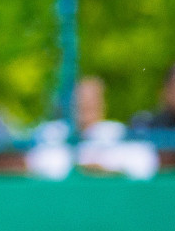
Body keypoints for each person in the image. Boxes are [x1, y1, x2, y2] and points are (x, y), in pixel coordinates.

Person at [27, 76, 157, 180]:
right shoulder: (52, 132)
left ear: (103, 104)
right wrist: (83, 168)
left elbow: (144, 164)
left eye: (91, 100)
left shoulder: (116, 132)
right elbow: (37, 163)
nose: (85, 105)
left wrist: (106, 168)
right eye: (80, 100)